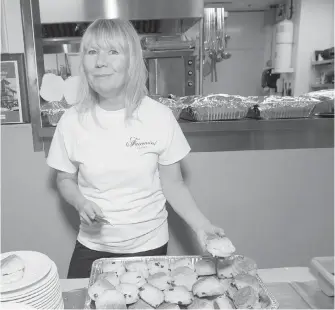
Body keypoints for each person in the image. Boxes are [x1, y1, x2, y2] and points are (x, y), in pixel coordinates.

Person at [47, 18, 225, 279]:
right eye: (92, 51)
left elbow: (173, 185)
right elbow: (64, 179)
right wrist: (80, 201)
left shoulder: (159, 117)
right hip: (93, 246)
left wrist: (202, 225)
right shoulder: (71, 121)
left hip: (148, 247)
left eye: (113, 51)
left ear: (131, 60)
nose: (100, 62)